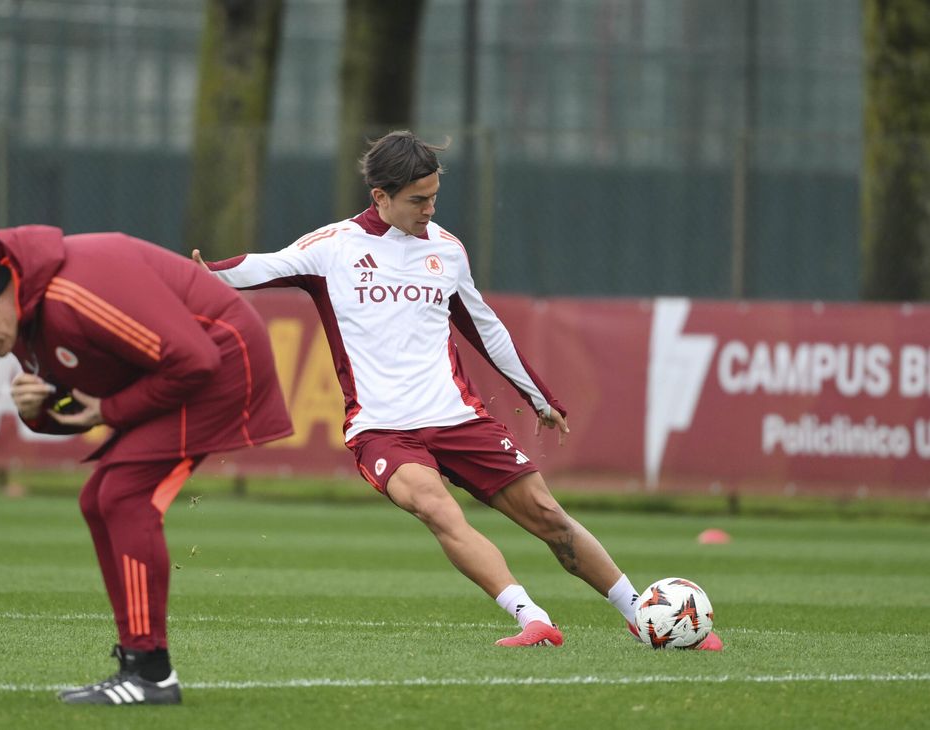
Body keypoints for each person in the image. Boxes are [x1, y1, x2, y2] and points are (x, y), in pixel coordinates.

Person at [194, 130, 722, 651]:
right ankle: (532, 617)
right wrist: (201, 277)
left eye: (434, 197)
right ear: (380, 197)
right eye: (418, 200)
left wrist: (539, 397)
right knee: (438, 509)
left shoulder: (447, 251)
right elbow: (260, 266)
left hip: (458, 417)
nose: (429, 209)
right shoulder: (333, 247)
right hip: (381, 430)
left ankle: (641, 616)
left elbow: (485, 327)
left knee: (546, 514)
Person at [0, 225, 294, 705]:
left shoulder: (68, 295)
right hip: (188, 369)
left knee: (123, 496)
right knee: (99, 499)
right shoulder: (25, 316)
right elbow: (80, 404)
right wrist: (36, 409)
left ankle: (150, 674)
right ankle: (139, 664)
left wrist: (109, 412)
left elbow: (194, 360)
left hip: (223, 361)